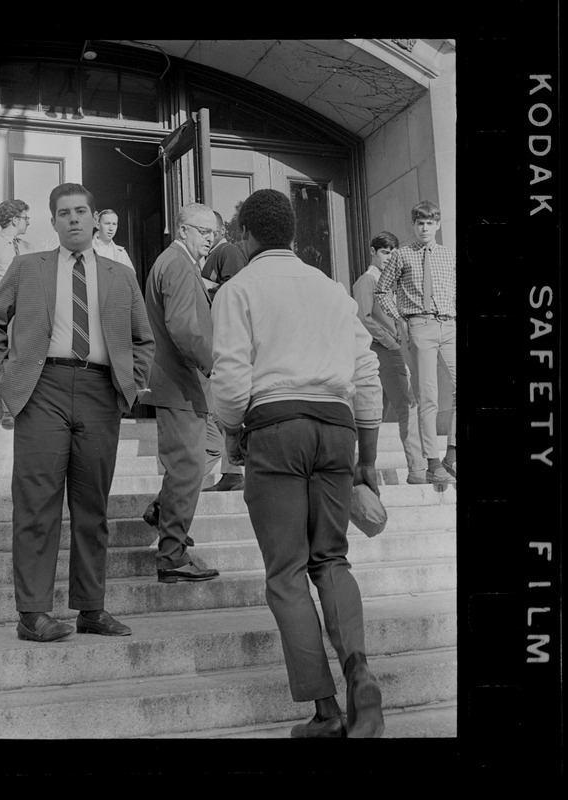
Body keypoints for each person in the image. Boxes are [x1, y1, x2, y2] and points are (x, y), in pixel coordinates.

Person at [211, 189, 385, 738]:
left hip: (276, 427)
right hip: (336, 429)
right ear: (291, 233)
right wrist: (369, 459)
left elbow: (232, 381)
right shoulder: (333, 290)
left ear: (246, 236)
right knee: (331, 560)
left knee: (286, 573)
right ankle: (361, 676)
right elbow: (367, 376)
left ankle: (326, 713)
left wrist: (232, 436)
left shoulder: (238, 289)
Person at [0, 183, 155, 642]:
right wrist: (3, 376)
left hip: (101, 392)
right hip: (43, 390)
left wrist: (131, 383)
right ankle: (33, 614)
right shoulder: (28, 267)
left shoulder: (120, 275)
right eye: (64, 214)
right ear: (54, 221)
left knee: (92, 506)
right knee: (36, 502)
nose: (74, 220)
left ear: (95, 217)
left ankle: (91, 608)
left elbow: (144, 338)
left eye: (81, 211)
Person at [140, 203, 221, 584]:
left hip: (183, 386)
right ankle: (171, 556)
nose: (210, 239)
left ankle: (162, 511)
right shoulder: (176, 264)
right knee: (186, 467)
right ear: (184, 229)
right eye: (205, 231)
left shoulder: (178, 264)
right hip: (179, 385)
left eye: (214, 234)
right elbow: (185, 329)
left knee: (203, 454)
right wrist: (213, 364)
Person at [375, 201, 456, 484]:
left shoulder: (449, 256)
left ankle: (452, 455)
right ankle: (433, 464)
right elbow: (381, 291)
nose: (424, 228)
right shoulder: (402, 255)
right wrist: (401, 319)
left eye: (430, 223)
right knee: (428, 396)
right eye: (420, 223)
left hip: (449, 325)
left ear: (438, 225)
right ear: (414, 226)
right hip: (419, 324)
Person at [352, 231, 427, 485]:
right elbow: (363, 318)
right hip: (382, 352)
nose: (389, 258)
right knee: (408, 407)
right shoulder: (366, 281)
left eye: (393, 254)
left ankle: (354, 468)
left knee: (372, 415)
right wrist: (391, 342)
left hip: (392, 351)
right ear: (373, 252)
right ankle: (417, 470)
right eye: (385, 252)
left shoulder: (389, 285)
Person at [200, 211, 247, 492]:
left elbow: (234, 289)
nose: (205, 238)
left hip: (223, 339)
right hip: (214, 336)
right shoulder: (212, 256)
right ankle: (231, 471)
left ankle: (233, 470)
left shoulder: (227, 251)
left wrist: (204, 289)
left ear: (219, 231)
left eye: (209, 232)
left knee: (220, 405)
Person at [0, 199, 34, 428]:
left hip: (25, 307)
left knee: (23, 356)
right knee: (1, 356)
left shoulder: (27, 247)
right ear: (14, 220)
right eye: (26, 218)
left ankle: (22, 408)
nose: (29, 222)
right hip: (1, 309)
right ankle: (7, 411)